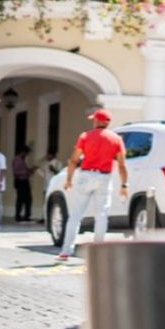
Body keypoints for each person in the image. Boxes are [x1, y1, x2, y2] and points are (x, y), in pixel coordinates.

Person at [57, 109, 128, 261]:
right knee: (101, 216)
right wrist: (124, 185)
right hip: (104, 177)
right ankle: (98, 254)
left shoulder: (85, 136)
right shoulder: (116, 139)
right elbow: (122, 165)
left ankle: (66, 251)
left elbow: (74, 159)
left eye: (94, 119)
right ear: (107, 123)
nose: (93, 121)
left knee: (75, 215)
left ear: (98, 121)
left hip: (86, 175)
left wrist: (68, 179)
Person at [12, 145, 34, 222]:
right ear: (23, 152)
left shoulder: (22, 159)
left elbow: (22, 170)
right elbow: (16, 172)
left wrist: (29, 170)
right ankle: (18, 216)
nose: (27, 155)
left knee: (28, 199)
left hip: (24, 181)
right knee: (21, 199)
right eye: (26, 153)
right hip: (20, 181)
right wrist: (27, 172)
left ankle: (26, 215)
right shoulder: (17, 159)